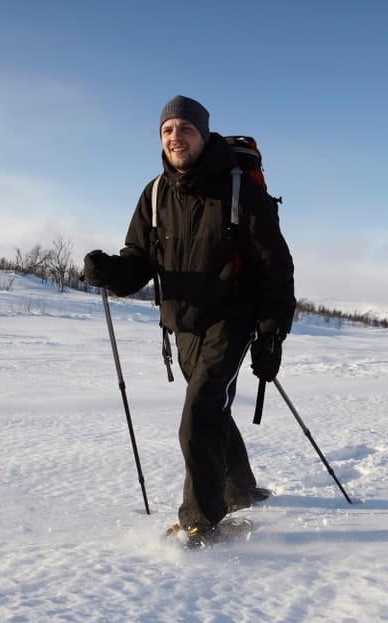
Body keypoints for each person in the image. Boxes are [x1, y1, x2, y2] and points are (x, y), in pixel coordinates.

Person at [82, 95, 296, 540]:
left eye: (185, 128)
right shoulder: (156, 194)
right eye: (167, 130)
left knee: (199, 412)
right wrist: (111, 272)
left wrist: (272, 333)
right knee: (211, 408)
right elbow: (140, 259)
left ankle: (199, 522)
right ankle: (240, 487)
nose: (175, 137)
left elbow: (275, 266)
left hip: (232, 319)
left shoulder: (239, 190)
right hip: (182, 324)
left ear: (203, 134)